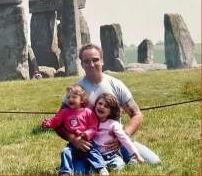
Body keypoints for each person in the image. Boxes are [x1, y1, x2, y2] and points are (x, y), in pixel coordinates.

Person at [54, 43, 161, 174]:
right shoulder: (75, 91)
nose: (92, 64)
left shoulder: (116, 85)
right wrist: (73, 139)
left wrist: (123, 137)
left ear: (102, 61)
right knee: (79, 172)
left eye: (95, 60)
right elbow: (57, 123)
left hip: (116, 143)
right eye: (87, 61)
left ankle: (121, 159)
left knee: (154, 161)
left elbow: (137, 115)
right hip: (89, 145)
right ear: (81, 64)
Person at [42, 84, 109, 175]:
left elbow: (93, 127)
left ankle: (101, 168)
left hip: (87, 141)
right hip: (73, 143)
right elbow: (56, 121)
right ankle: (65, 171)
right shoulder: (64, 112)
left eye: (74, 97)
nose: (70, 99)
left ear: (82, 99)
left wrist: (87, 134)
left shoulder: (88, 112)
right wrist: (49, 123)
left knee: (93, 153)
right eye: (68, 97)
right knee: (65, 152)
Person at [93, 93, 145, 172]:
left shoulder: (113, 124)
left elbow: (125, 139)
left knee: (118, 169)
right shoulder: (91, 123)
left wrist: (137, 155)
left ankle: (133, 160)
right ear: (95, 105)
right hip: (97, 157)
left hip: (112, 155)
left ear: (110, 112)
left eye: (106, 106)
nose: (101, 107)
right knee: (92, 171)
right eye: (100, 103)